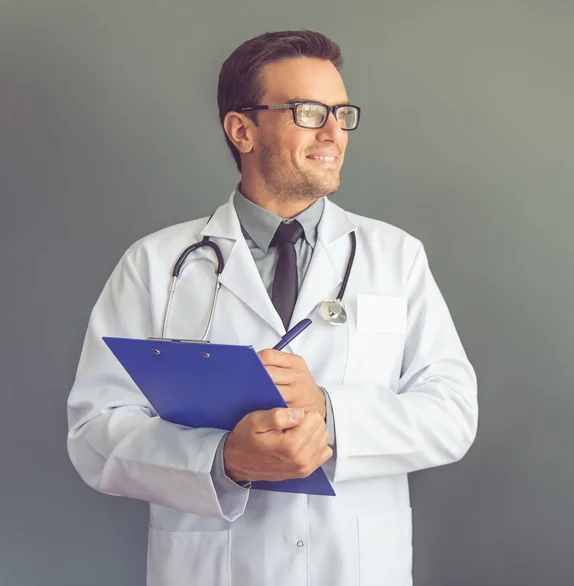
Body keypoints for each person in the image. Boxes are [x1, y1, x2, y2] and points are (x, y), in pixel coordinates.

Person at [67, 30, 478, 586]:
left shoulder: (395, 256)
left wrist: (328, 413)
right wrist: (223, 461)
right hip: (214, 568)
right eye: (309, 112)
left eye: (342, 112)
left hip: (355, 566)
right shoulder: (156, 264)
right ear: (242, 129)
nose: (334, 132)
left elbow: (452, 413)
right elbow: (95, 433)